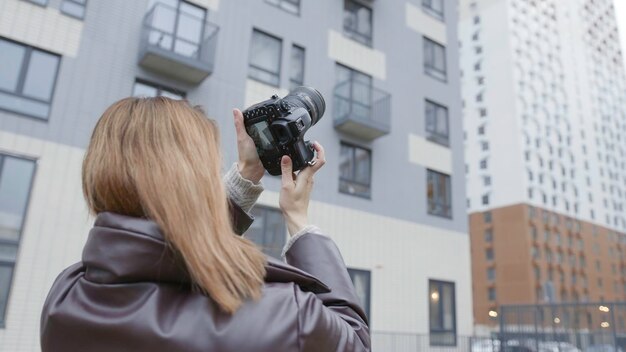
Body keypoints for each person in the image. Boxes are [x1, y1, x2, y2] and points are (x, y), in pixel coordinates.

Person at [40, 97, 370, 352]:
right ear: (193, 181)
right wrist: (299, 220)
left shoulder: (65, 300)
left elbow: (170, 255)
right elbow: (353, 339)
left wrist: (246, 175)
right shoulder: (282, 316)